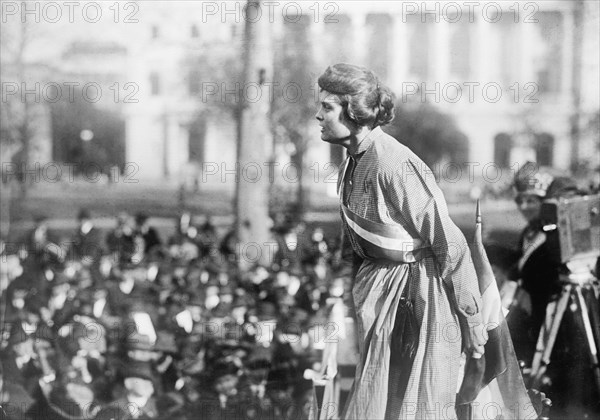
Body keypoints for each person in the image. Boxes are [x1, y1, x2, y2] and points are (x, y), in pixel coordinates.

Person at [315, 63, 487, 419]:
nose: (318, 116)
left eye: (327, 108)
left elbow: (449, 242)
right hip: (377, 297)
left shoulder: (394, 164)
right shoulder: (350, 164)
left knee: (414, 404)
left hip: (416, 297)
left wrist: (471, 319)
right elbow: (357, 247)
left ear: (354, 113)